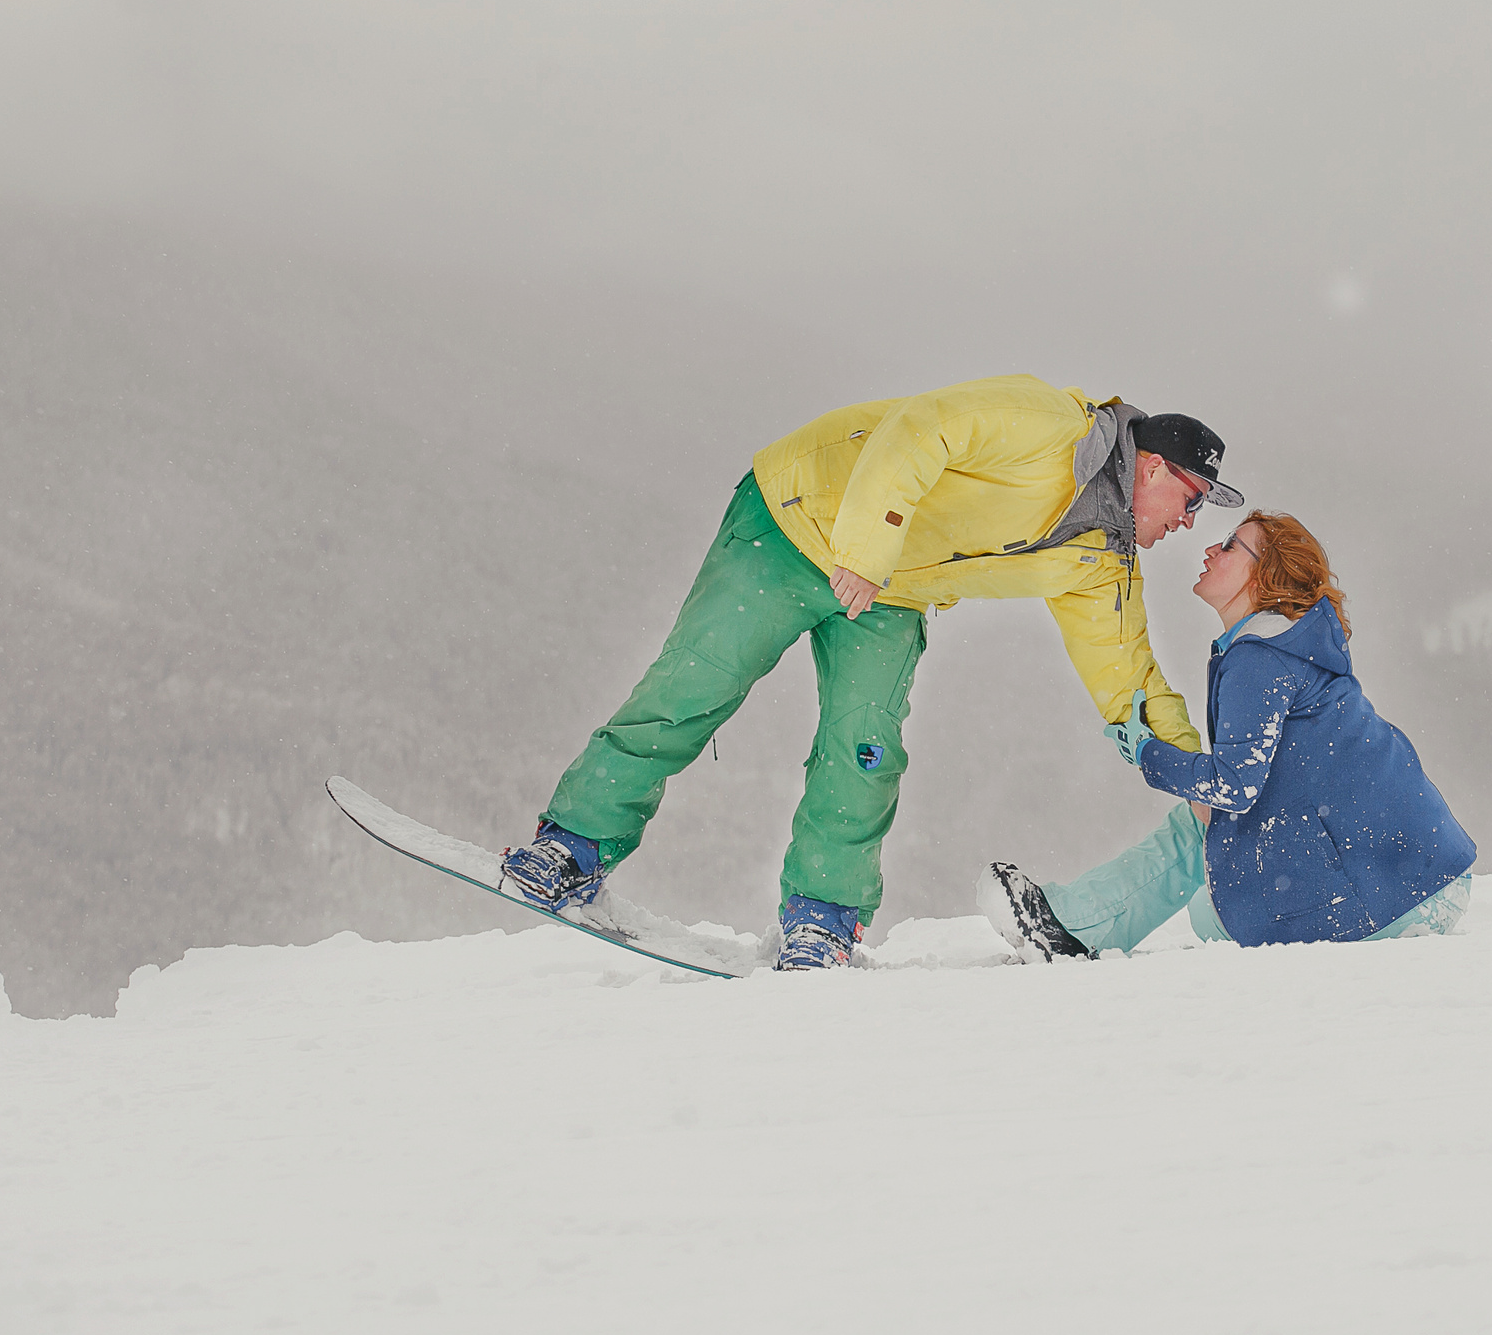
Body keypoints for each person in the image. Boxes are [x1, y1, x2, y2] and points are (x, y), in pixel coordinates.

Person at [499, 374, 1243, 970]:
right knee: (696, 685)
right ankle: (574, 844)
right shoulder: (1052, 423)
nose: (1189, 522)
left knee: (866, 748)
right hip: (800, 521)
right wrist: (866, 547)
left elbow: (1131, 678)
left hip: (889, 591)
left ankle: (821, 917)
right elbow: (920, 429)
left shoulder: (1098, 562)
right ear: (1152, 467)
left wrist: (1188, 773)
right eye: (1191, 500)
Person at [985, 510, 1475, 958]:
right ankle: (1074, 924)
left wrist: (1146, 752)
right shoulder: (1282, 644)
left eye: (1229, 546)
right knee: (1206, 854)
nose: (1209, 552)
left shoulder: (1261, 655)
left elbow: (1234, 786)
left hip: (1401, 896)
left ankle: (1070, 928)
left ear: (1264, 574)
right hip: (1426, 879)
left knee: (1206, 880)